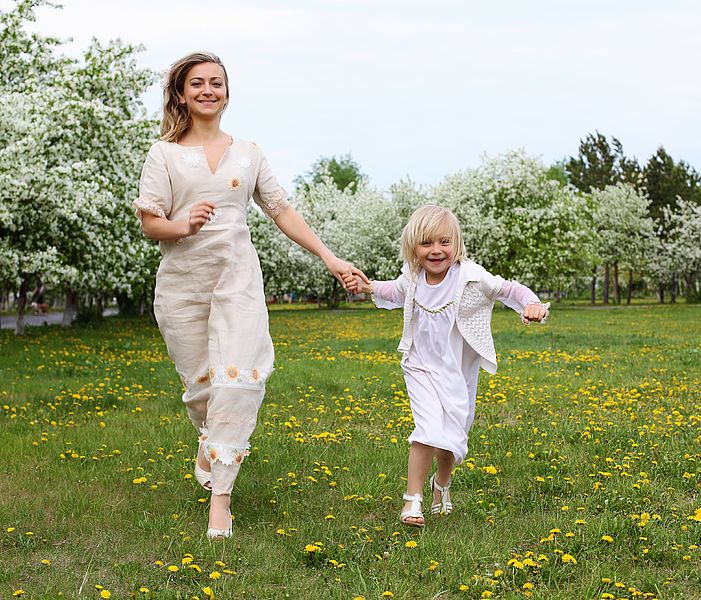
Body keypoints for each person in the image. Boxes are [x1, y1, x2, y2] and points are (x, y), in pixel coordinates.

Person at [133, 51, 364, 540]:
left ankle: (221, 500)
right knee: (202, 387)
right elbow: (151, 222)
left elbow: (281, 210)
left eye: (217, 82)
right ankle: (207, 438)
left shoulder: (249, 152)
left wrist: (329, 257)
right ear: (181, 93)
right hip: (183, 285)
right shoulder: (165, 155)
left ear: (227, 92)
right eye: (197, 83)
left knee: (237, 382)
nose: (208, 90)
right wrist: (183, 223)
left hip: (238, 279)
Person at [344, 205, 549, 527]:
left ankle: (441, 483)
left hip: (457, 370)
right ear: (413, 247)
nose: (436, 250)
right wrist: (367, 286)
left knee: (451, 438)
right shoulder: (411, 278)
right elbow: (392, 291)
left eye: (444, 242)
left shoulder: (471, 277)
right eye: (426, 243)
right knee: (426, 429)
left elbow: (510, 289)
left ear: (457, 245)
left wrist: (532, 304)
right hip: (420, 366)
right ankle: (413, 501)